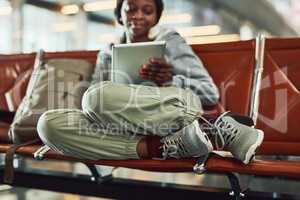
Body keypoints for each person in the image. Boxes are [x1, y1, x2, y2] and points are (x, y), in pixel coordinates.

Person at [37, 0, 264, 164]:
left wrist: (170, 79)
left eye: (147, 11)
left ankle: (209, 128)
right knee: (49, 125)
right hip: (124, 125)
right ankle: (165, 146)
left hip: (174, 111)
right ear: (120, 14)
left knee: (96, 97)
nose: (138, 16)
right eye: (131, 9)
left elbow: (209, 92)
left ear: (155, 18)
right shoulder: (107, 53)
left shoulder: (170, 41)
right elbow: (92, 108)